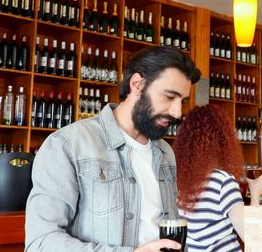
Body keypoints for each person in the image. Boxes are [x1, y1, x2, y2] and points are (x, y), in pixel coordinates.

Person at [25, 46, 201, 252]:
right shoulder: (67, 144)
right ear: (137, 84)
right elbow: (40, 242)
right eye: (170, 97)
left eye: (183, 101)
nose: (178, 112)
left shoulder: (165, 153)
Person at [173, 104, 262, 252]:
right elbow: (254, 239)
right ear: (223, 140)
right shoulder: (222, 182)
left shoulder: (177, 182)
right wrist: (255, 192)